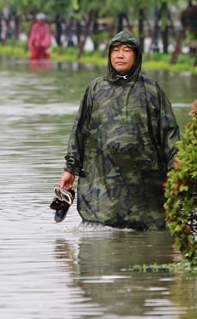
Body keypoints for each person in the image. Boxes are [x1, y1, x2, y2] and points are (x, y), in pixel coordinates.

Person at [56, 30, 180, 230]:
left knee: (150, 237)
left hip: (145, 185)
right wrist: (70, 169)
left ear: (136, 56)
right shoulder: (96, 89)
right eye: (115, 50)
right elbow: (80, 131)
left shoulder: (152, 90)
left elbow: (170, 134)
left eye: (126, 50)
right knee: (102, 241)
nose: (119, 55)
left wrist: (177, 172)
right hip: (103, 183)